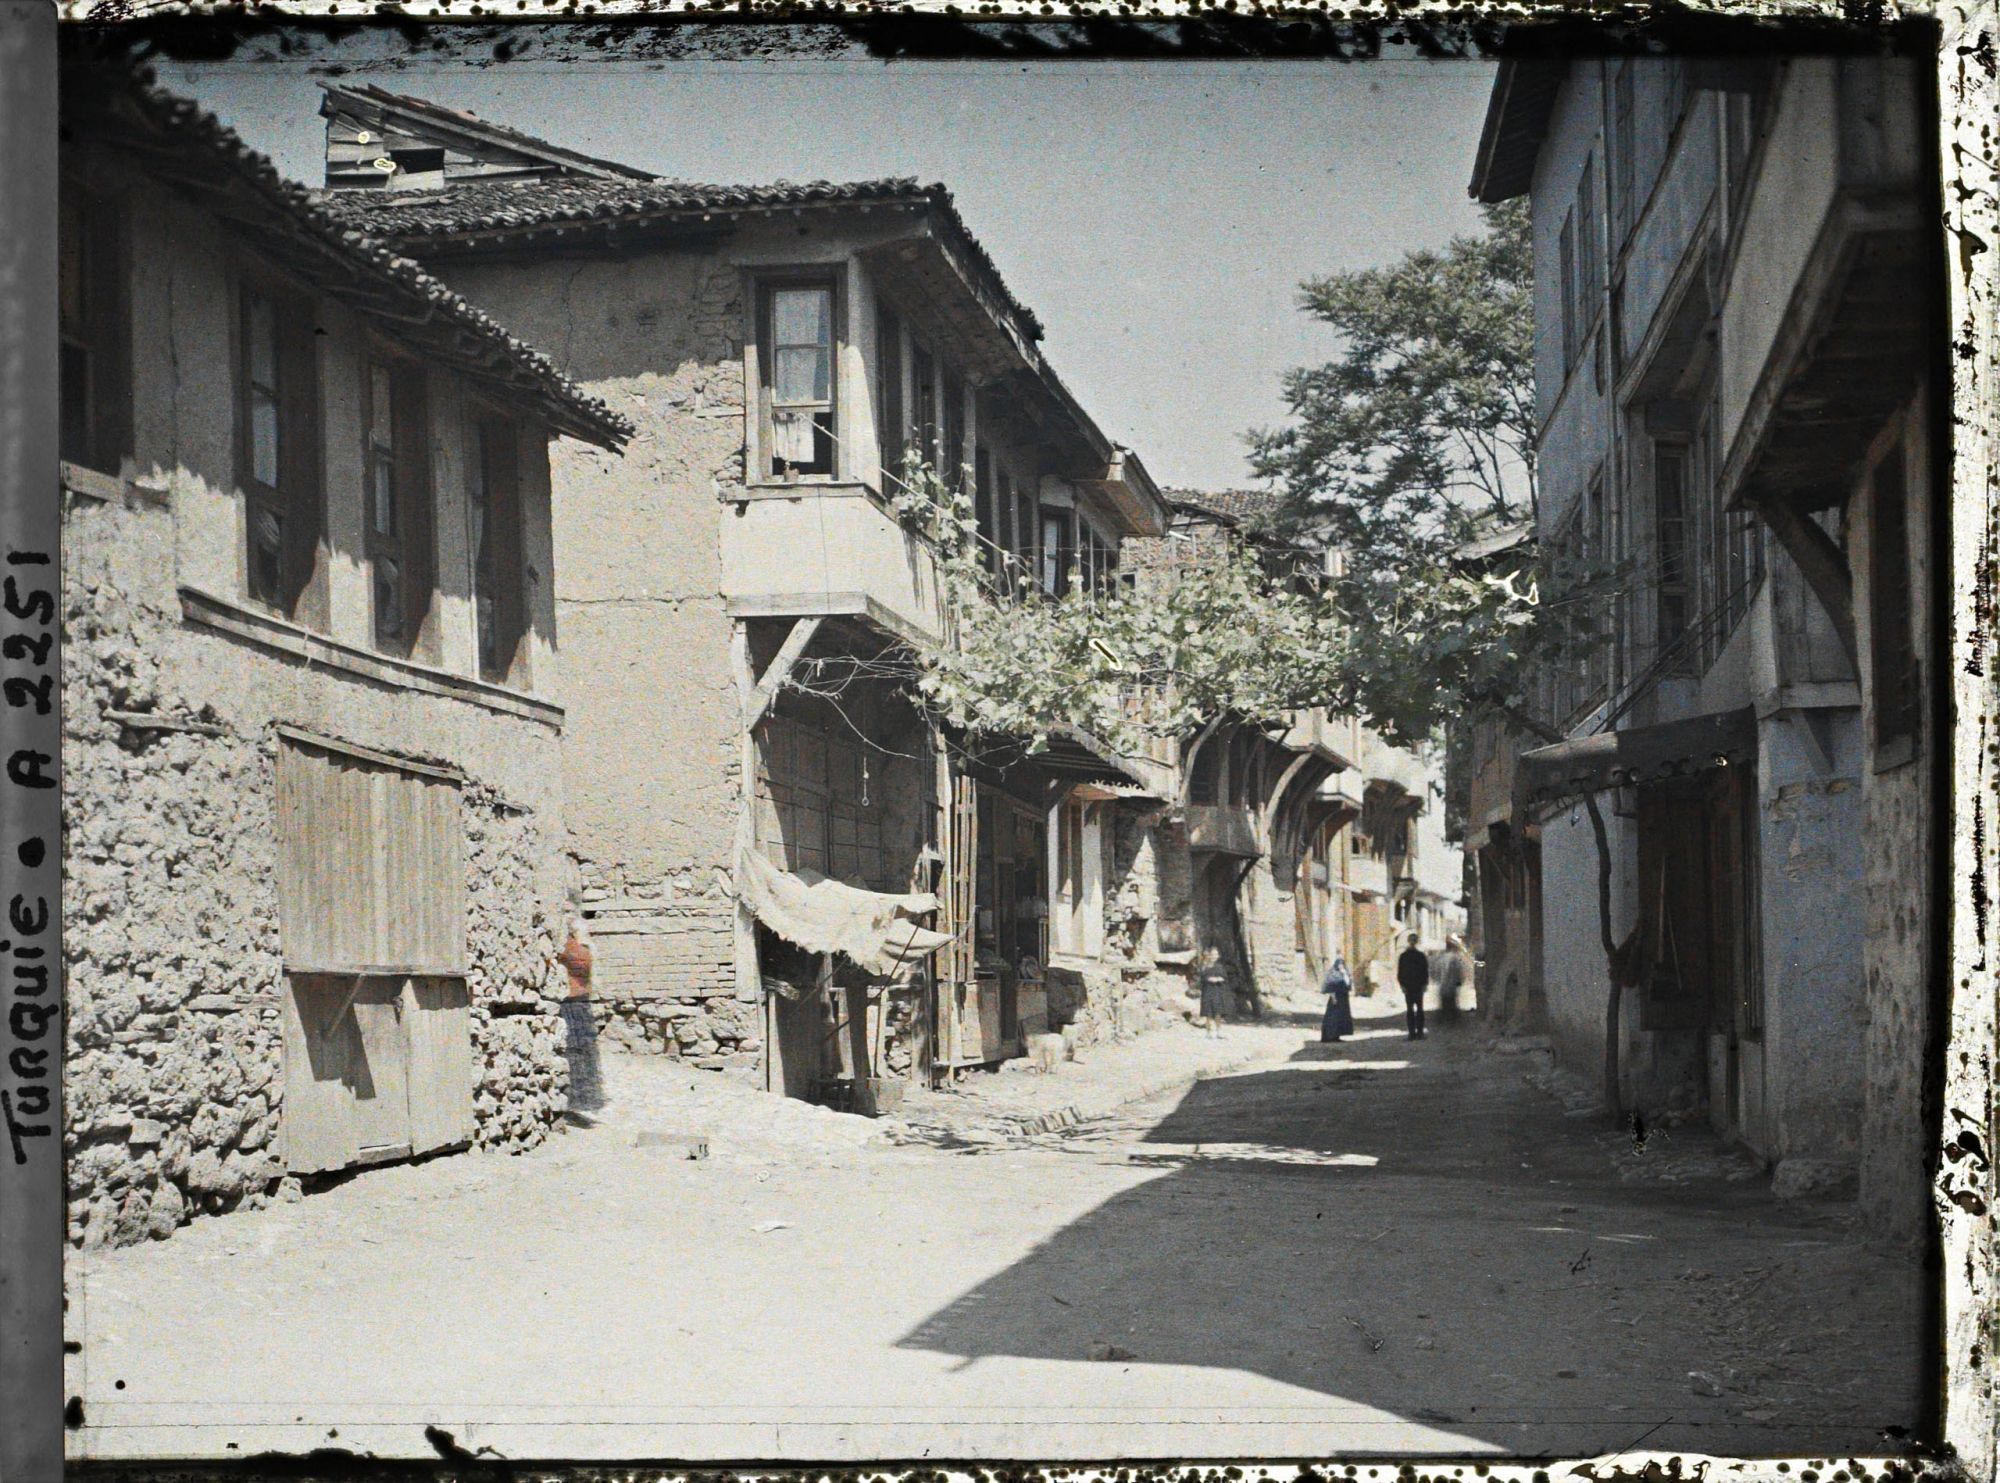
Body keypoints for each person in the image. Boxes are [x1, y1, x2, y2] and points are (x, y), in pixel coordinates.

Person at [555, 909, 606, 1113]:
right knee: (582, 1054)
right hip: (578, 1002)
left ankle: (578, 1099)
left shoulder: (575, 948)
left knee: (578, 1054)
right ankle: (581, 1098)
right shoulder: (582, 947)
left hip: (574, 1001)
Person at [1396, 933, 1430, 1041]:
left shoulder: (1421, 956)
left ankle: (1419, 1033)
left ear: (1416, 941)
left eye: (1414, 940)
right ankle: (1412, 1033)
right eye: (1411, 940)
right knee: (1410, 1010)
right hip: (1408, 986)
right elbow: (1400, 972)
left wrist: (1425, 984)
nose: (1412, 942)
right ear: (1408, 941)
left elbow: (1425, 971)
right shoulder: (1404, 956)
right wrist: (1402, 985)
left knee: (1419, 1010)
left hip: (1418, 986)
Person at [1319, 956, 1355, 1043]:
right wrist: (1333, 997)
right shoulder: (1333, 973)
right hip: (1335, 998)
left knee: (1341, 1018)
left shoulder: (1344, 973)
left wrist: (1345, 974)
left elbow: (1348, 984)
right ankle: (1328, 1037)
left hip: (1343, 998)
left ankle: (1336, 1036)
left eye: (1342, 964)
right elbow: (1331, 986)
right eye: (1339, 964)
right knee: (1332, 1018)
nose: (1341, 966)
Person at [1197, 947, 1230, 1038]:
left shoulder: (1220, 967)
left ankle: (1219, 1031)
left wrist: (1218, 979)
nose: (1214, 956)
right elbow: (1202, 978)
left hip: (1217, 991)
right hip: (1207, 991)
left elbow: (1225, 978)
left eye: (1216, 954)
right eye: (1212, 954)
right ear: (1209, 955)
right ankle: (1209, 1032)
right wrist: (1208, 979)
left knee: (1218, 1012)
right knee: (1208, 1013)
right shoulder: (1204, 966)